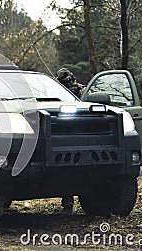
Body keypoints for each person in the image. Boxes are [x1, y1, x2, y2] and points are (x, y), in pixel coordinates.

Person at [56, 68, 85, 213]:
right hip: (67, 134)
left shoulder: (80, 90)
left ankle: (69, 202)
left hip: (82, 133)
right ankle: (68, 202)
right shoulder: (57, 92)